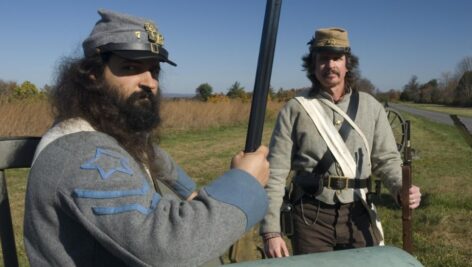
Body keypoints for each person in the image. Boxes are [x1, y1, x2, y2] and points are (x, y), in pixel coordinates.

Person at [23, 9, 269, 266]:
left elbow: (154, 157)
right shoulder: (81, 151)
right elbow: (167, 246)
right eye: (130, 67)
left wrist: (190, 192)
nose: (149, 82)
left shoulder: (107, 128)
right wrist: (245, 183)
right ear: (93, 75)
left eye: (154, 71)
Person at [260, 27, 422, 257]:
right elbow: (275, 173)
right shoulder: (295, 109)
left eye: (337, 58)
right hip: (310, 216)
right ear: (313, 65)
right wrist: (271, 232)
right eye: (323, 59)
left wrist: (400, 188)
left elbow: (386, 159)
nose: (330, 65)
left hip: (358, 213)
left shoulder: (371, 107)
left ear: (347, 64)